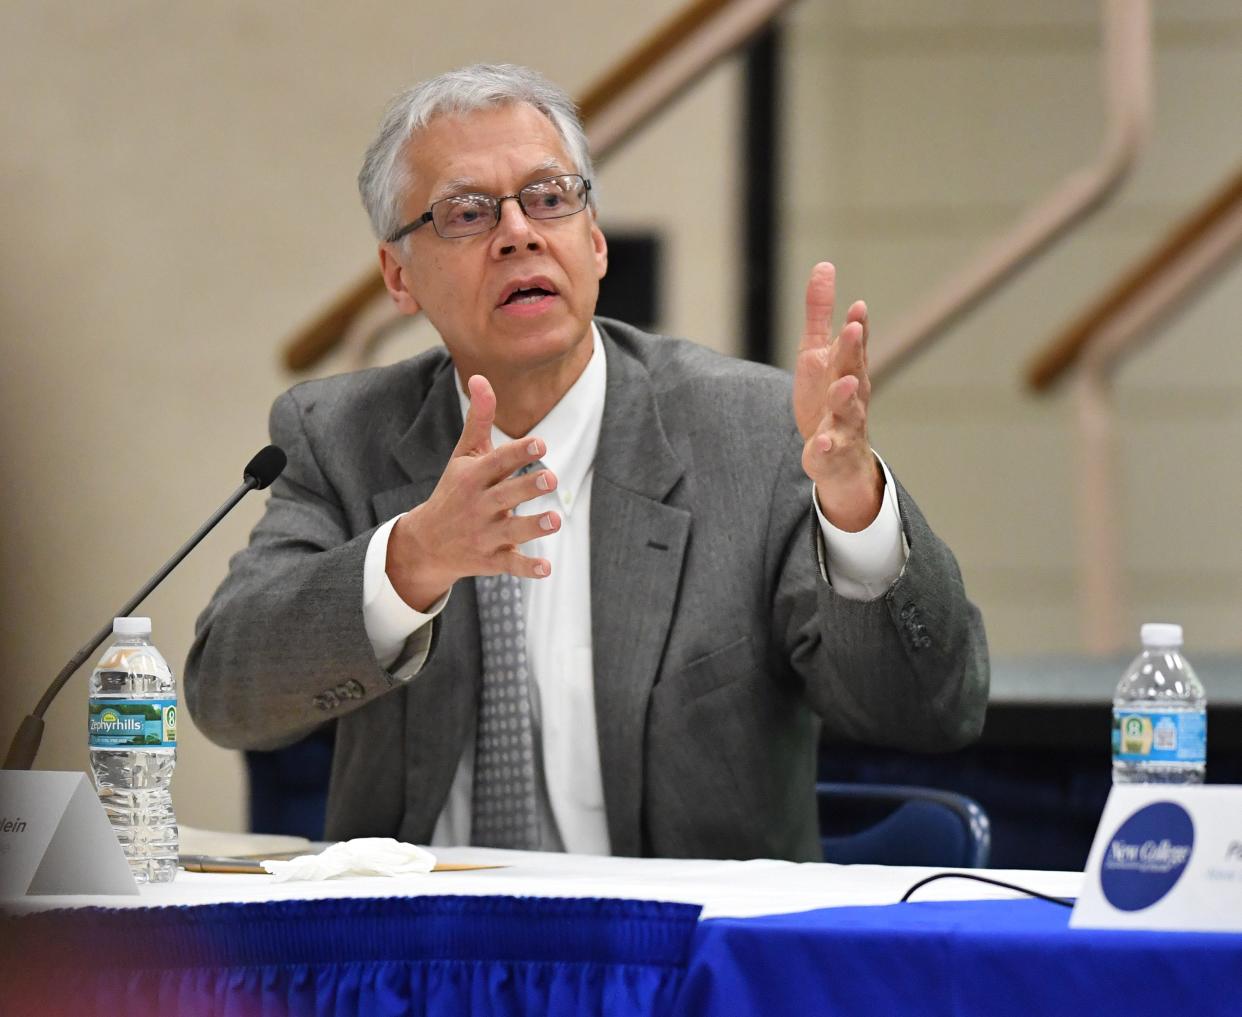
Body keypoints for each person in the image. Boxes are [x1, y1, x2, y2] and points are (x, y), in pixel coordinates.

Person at [186, 63, 988, 861]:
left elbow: (930, 707)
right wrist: (412, 561)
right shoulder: (340, 435)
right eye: (467, 213)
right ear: (399, 277)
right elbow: (227, 695)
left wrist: (853, 501)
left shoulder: (751, 432)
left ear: (594, 242)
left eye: (549, 199)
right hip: (424, 963)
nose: (518, 233)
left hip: (673, 965)